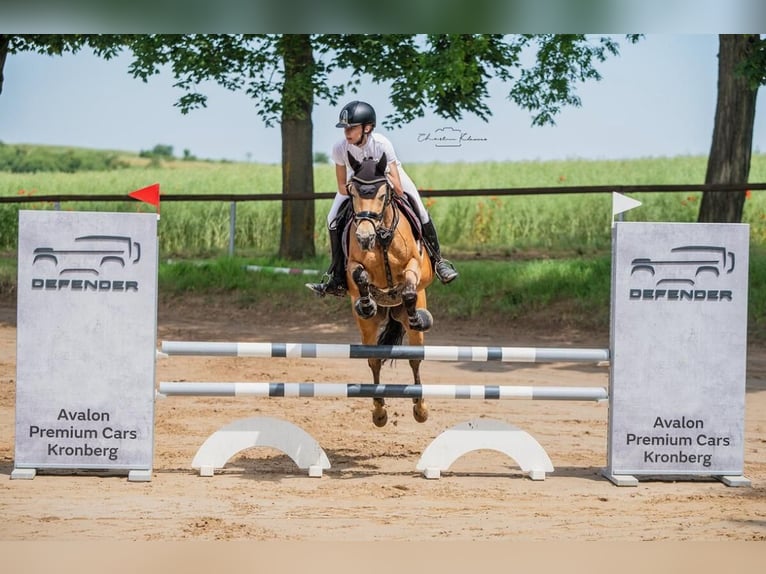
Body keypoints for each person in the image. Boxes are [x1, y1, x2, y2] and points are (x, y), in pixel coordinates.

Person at [307, 100, 458, 297]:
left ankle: (438, 261)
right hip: (358, 183)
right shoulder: (340, 148)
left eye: (351, 128)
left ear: (367, 128)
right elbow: (342, 188)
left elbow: (397, 185)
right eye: (345, 128)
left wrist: (377, 185)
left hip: (387, 177)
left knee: (419, 208)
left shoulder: (381, 144)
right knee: (332, 219)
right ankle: (336, 275)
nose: (347, 132)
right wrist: (359, 187)